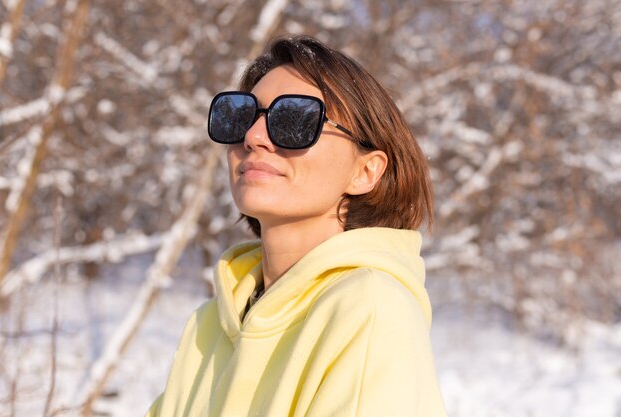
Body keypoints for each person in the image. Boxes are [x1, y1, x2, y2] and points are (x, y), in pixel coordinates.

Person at [146, 35, 447, 417]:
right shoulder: (211, 323)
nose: (253, 137)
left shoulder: (369, 309)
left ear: (366, 171)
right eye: (239, 116)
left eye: (294, 120)